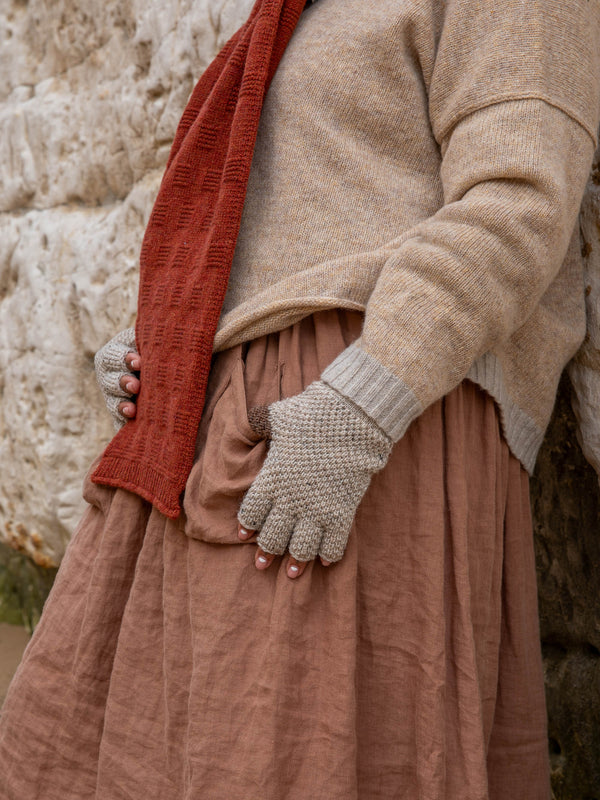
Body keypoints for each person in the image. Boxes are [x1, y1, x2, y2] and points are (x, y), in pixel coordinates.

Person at [1, 0, 599, 798]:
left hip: (362, 425)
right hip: (215, 436)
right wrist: (162, 335)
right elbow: (276, 217)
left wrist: (360, 409)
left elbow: (520, 201)